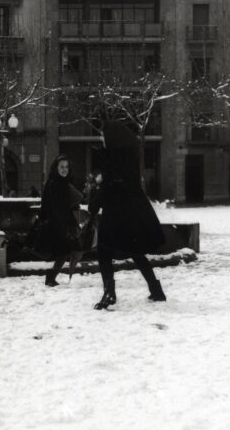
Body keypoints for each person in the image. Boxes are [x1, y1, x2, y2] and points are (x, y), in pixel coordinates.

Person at [91, 120, 166, 309]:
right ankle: (156, 290)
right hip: (130, 215)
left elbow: (110, 188)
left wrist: (99, 188)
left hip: (114, 216)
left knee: (103, 251)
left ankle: (109, 292)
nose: (101, 138)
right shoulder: (129, 157)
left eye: (103, 135)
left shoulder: (112, 159)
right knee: (136, 251)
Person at [38, 154, 83, 287]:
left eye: (66, 167)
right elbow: (56, 207)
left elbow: (65, 204)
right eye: (62, 167)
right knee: (65, 250)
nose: (65, 169)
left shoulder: (62, 182)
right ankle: (51, 276)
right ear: (56, 168)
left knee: (64, 251)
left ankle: (51, 276)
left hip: (61, 222)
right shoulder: (54, 183)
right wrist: (70, 224)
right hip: (57, 223)